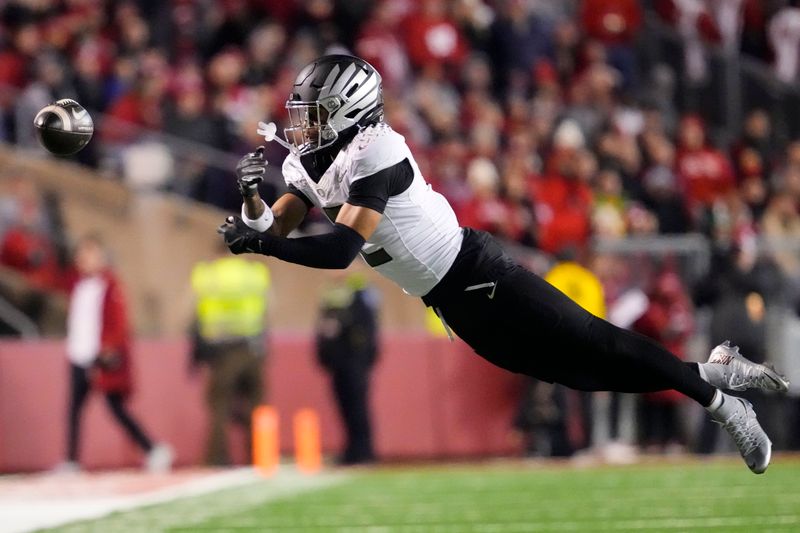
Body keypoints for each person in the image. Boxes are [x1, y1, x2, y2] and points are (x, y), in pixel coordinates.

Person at [218, 54, 789, 474]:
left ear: (350, 112)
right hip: (450, 300)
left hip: (478, 271)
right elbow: (280, 223)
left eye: (316, 113)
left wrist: (260, 243)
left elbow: (339, 251)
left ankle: (724, 405)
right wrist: (251, 210)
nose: (303, 124)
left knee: (600, 342)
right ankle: (712, 373)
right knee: (584, 374)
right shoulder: (313, 161)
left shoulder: (378, 151)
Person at [58, 234, 172, 473]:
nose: (85, 259)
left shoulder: (110, 285)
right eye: (82, 254)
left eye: (90, 253)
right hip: (79, 355)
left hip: (100, 358)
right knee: (73, 410)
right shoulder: (76, 283)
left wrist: (107, 351)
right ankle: (70, 460)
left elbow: (118, 324)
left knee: (115, 408)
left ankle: (153, 449)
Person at [190, 245, 270, 465]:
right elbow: (265, 311)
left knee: (220, 407)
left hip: (222, 352)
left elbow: (196, 316)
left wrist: (198, 356)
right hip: (252, 348)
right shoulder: (254, 273)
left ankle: (217, 458)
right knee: (256, 405)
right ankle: (259, 455)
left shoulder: (208, 274)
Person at [315, 270, 379, 465]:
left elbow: (365, 328)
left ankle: (364, 451)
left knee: (357, 407)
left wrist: (364, 357)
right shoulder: (333, 293)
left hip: (354, 359)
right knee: (345, 407)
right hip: (338, 361)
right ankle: (352, 451)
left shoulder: (359, 291)